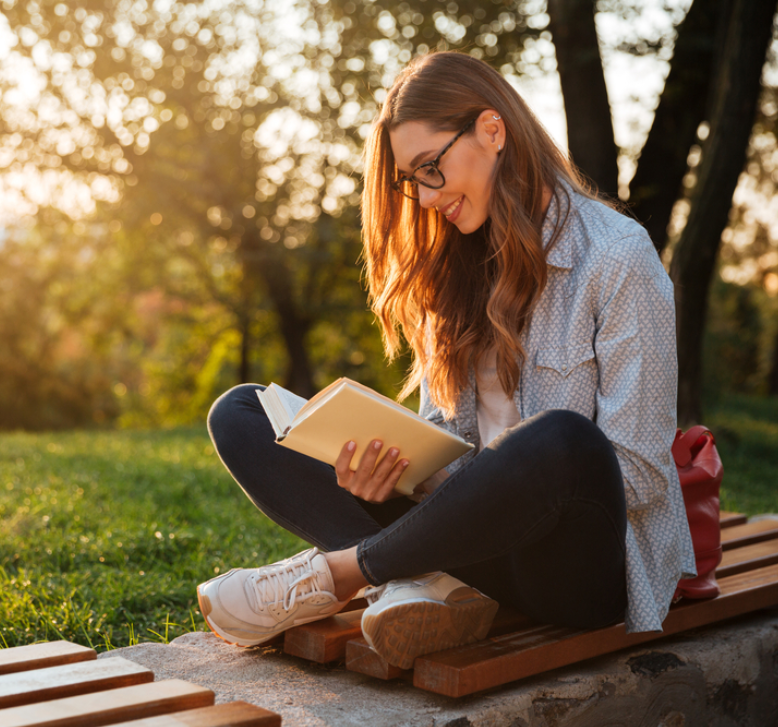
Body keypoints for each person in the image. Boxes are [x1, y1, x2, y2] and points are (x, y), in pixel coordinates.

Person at [196, 51, 696, 669]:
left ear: (492, 130)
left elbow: (640, 474)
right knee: (243, 413)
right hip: (465, 542)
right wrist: (395, 468)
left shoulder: (618, 257)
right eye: (412, 179)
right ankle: (428, 582)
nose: (427, 196)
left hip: (574, 571)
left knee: (563, 441)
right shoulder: (453, 266)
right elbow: (444, 438)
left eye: (432, 167)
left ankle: (344, 573)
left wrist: (497, 481)